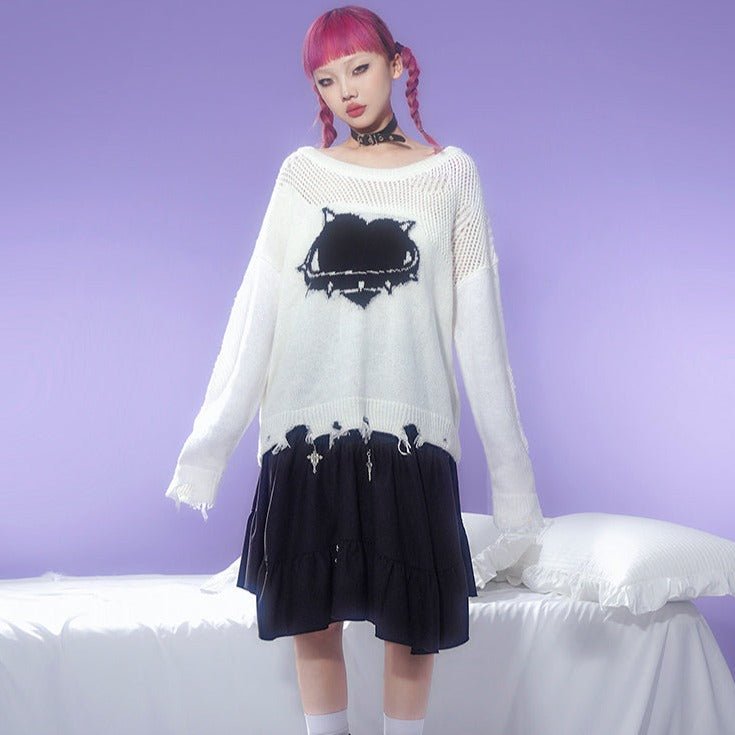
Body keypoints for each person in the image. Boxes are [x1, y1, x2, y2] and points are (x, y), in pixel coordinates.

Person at [165, 6, 549, 735]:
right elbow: (258, 308)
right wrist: (210, 443)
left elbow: (481, 329)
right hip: (308, 428)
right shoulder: (302, 175)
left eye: (359, 68)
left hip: (412, 431)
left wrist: (511, 482)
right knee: (314, 617)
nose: (344, 90)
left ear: (397, 64)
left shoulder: (450, 176)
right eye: (325, 79)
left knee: (413, 624)